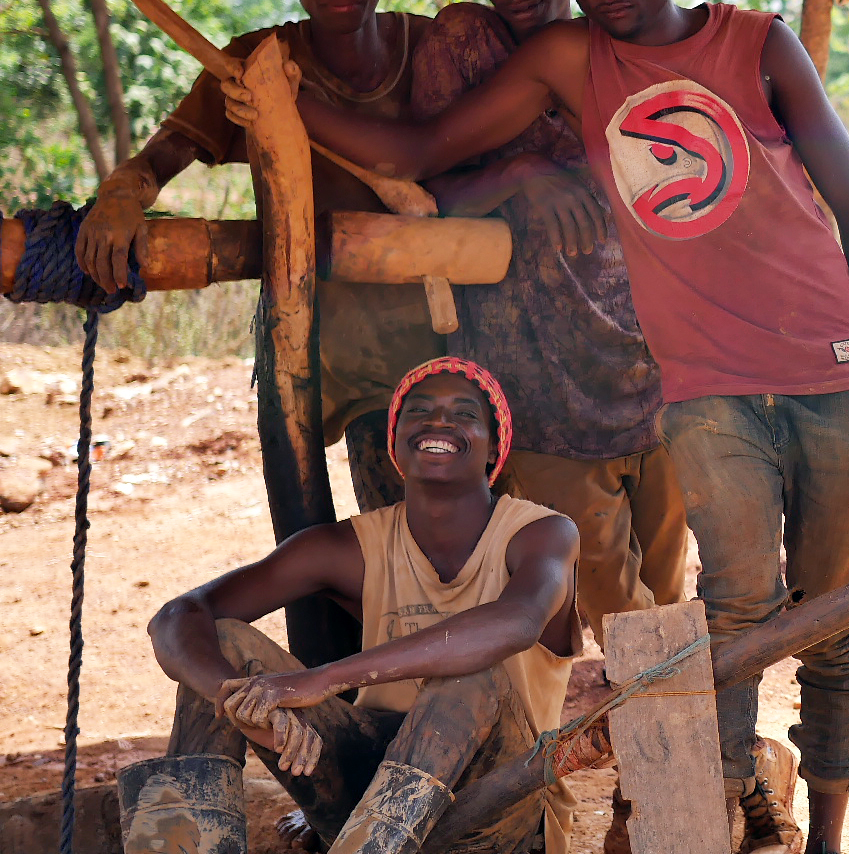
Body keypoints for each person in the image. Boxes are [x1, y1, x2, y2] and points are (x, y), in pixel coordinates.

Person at [223, 0, 849, 854]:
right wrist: (285, 104)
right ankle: (693, 817)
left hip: (806, 365)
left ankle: (813, 828)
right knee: (723, 612)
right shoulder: (554, 57)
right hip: (687, 387)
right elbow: (419, 145)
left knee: (830, 613)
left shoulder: (757, 42)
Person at [75, 0, 438, 513]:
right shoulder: (255, 63)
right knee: (323, 526)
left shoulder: (433, 47)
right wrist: (122, 195)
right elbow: (162, 156)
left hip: (441, 337)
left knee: (438, 527)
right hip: (309, 341)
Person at [129, 357, 582, 854]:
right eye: (420, 411)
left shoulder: (541, 533)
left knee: (475, 673)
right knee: (224, 647)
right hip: (368, 791)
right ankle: (180, 846)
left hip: (497, 805)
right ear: (395, 441)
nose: (439, 422)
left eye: (465, 413)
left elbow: (515, 623)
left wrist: (323, 678)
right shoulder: (350, 547)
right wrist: (240, 701)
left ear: (495, 444)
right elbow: (177, 617)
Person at [410, 0, 689, 633]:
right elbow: (424, 193)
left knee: (669, 589)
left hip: (652, 364)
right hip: (543, 385)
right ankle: (670, 738)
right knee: (612, 600)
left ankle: (681, 746)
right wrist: (519, 170)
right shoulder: (465, 44)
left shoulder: (619, 40)